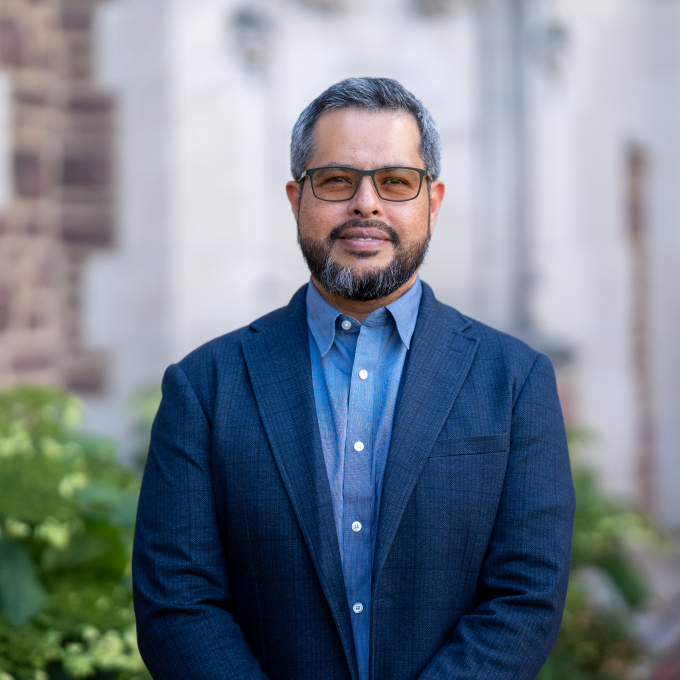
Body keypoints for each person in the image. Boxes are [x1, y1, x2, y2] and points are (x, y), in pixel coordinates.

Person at [133, 77, 575, 680]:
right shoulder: (205, 388)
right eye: (337, 180)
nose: (365, 204)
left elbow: (527, 595)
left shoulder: (516, 381)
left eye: (395, 182)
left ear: (433, 202)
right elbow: (177, 606)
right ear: (297, 199)